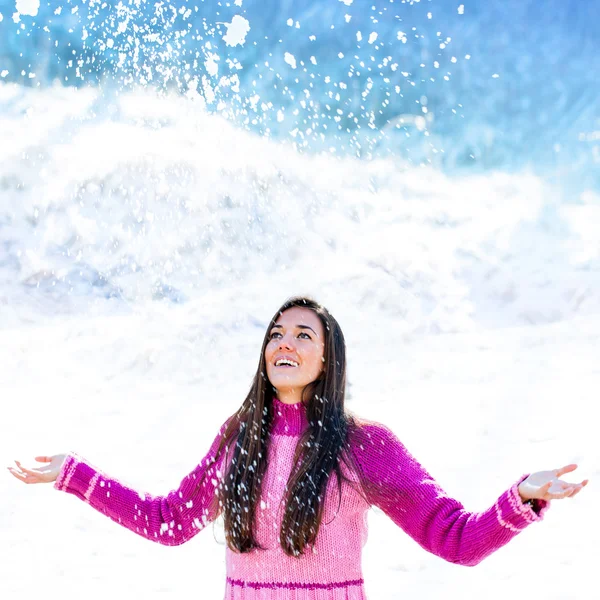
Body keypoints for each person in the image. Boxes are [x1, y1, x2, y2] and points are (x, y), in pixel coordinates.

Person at [8, 296, 588, 599]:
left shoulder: (365, 445)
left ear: (327, 358)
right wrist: (74, 475)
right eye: (275, 335)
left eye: (302, 335)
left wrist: (521, 498)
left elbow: (455, 540)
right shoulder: (240, 437)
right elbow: (170, 522)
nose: (283, 343)